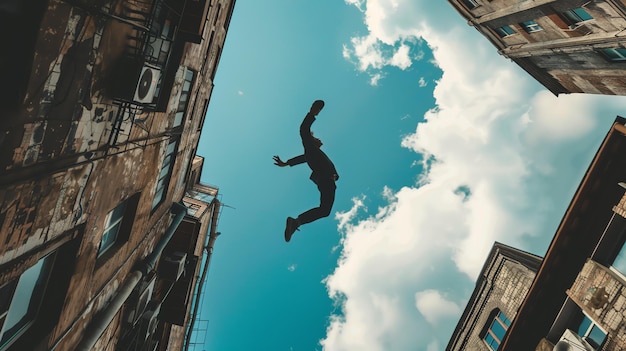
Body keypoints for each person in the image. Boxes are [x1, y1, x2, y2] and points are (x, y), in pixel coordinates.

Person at [273, 100, 339, 242]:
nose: (320, 140)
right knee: (325, 210)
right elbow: (303, 129)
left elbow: (302, 158)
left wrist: (287, 163)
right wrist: (312, 113)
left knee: (325, 211)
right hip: (326, 180)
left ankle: (296, 222)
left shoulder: (311, 154)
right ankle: (297, 222)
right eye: (316, 138)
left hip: (326, 182)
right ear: (312, 140)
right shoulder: (311, 149)